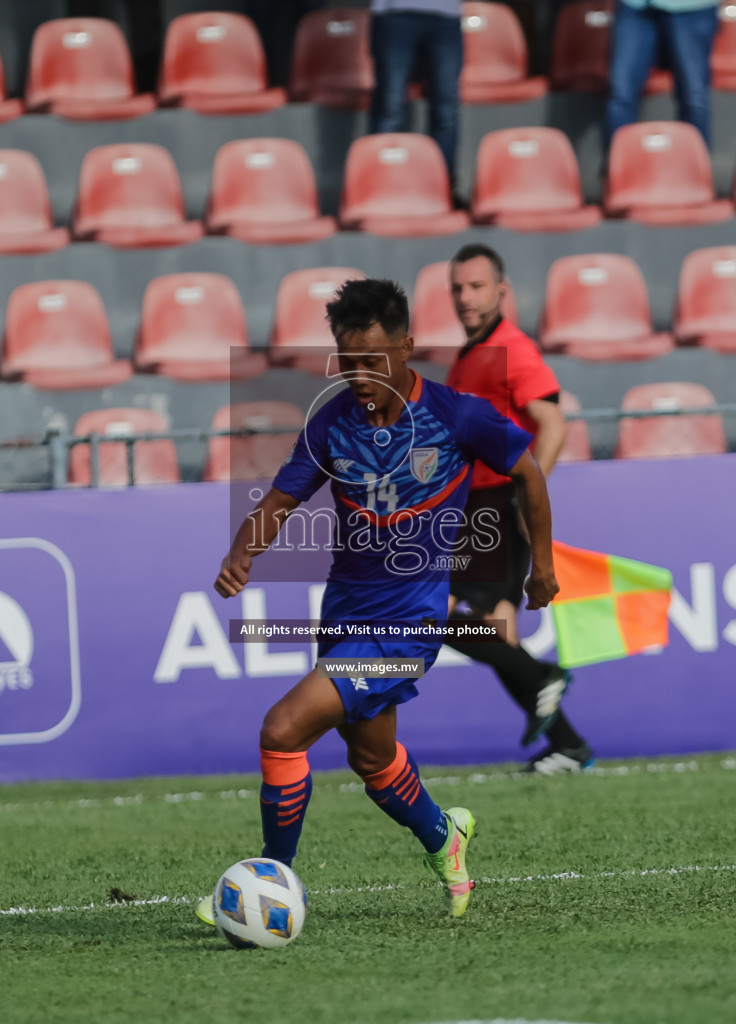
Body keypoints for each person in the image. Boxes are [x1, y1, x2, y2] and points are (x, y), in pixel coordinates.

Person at [198, 278, 559, 924]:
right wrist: (242, 551)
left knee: (282, 732)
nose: (360, 376)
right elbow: (281, 501)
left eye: (373, 361)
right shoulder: (332, 422)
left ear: (407, 349)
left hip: (409, 627)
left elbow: (528, 469)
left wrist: (541, 568)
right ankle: (444, 836)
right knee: (371, 759)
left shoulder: (455, 415)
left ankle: (268, 883)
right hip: (344, 616)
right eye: (349, 362)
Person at [443, 244, 595, 775]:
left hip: (497, 504)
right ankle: (569, 744)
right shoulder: (469, 355)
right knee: (496, 631)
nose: (465, 297)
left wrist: (529, 496)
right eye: (458, 288)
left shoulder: (512, 348)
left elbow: (553, 424)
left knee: (430, 614)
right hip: (474, 504)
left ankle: (542, 681)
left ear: (502, 292)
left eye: (477, 286)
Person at [605, 0, 720, 149]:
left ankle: (694, 168)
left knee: (694, 96)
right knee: (620, 94)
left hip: (692, 7)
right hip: (635, 7)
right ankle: (617, 166)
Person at [369, 0, 463, 182]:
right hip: (394, 13)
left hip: (446, 15)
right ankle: (381, 186)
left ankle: (442, 189)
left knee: (446, 111)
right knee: (389, 107)